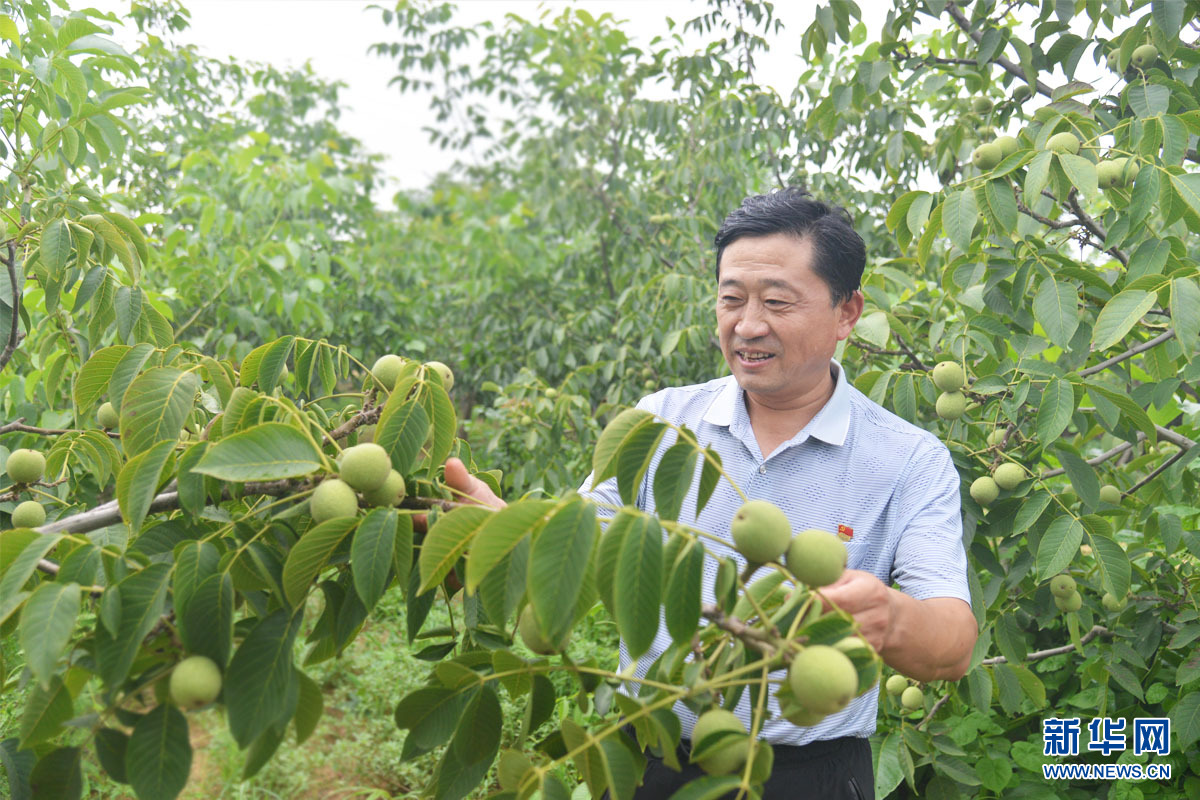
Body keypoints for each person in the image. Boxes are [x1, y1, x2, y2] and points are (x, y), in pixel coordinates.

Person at [435, 187, 978, 799]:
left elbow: (953, 642)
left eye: (777, 301)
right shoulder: (661, 421)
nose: (747, 325)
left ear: (847, 313)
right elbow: (580, 549)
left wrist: (890, 615)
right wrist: (500, 535)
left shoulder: (908, 457)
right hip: (651, 757)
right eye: (730, 299)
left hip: (811, 776)